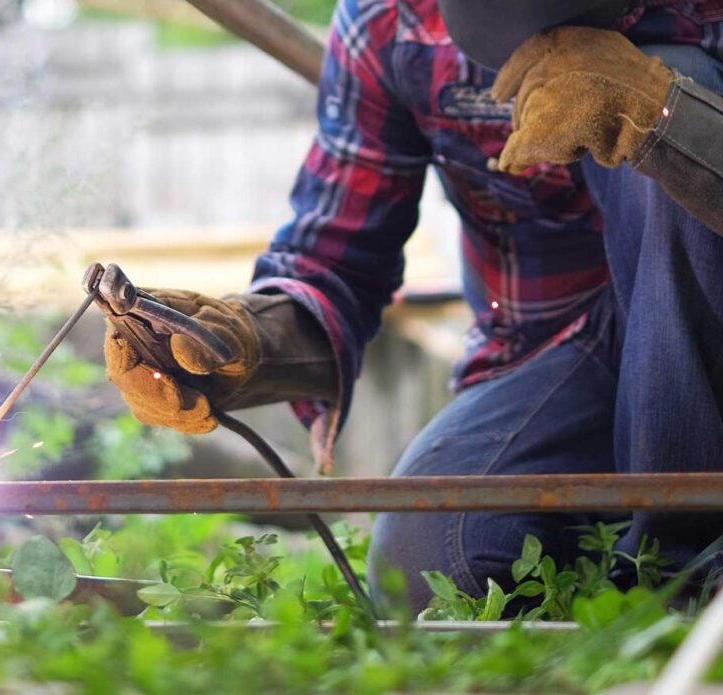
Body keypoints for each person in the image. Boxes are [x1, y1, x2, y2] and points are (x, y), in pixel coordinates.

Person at [103, 0, 723, 611]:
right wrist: (243, 342)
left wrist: (668, 118)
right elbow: (339, 255)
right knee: (432, 566)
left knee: (672, 91)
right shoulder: (391, 23)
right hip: (562, 352)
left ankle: (683, 578)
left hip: (709, 321)